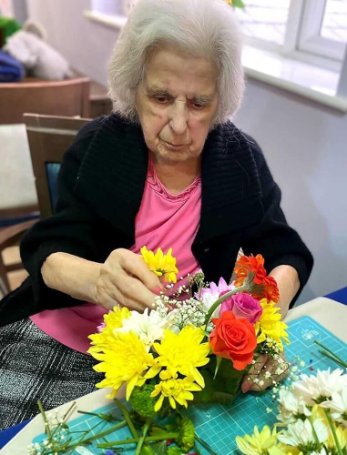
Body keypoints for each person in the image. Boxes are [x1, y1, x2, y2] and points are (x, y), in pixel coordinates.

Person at [0, 0, 313, 430]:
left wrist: (261, 316)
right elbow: (45, 249)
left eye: (199, 103)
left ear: (221, 99)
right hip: (71, 335)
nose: (179, 124)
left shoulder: (240, 162)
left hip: (179, 361)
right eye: (161, 98)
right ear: (134, 85)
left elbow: (287, 252)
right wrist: (97, 280)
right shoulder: (101, 147)